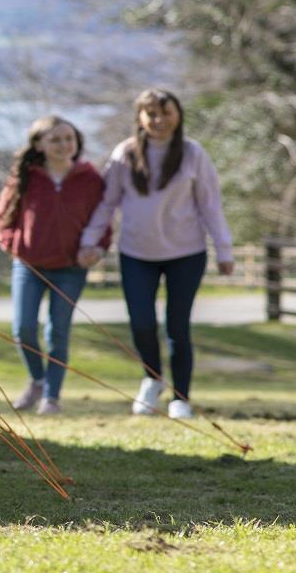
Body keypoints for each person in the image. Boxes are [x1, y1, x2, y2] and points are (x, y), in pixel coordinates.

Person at [78, 88, 234, 421]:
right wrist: (90, 240)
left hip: (185, 253)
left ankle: (181, 398)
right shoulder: (124, 154)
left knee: (177, 327)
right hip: (136, 252)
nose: (159, 120)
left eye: (166, 113)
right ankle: (152, 378)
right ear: (140, 118)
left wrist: (224, 248)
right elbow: (107, 203)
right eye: (151, 113)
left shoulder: (193, 154)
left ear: (178, 116)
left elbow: (210, 204)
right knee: (142, 323)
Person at [0, 115, 107, 415]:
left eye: (68, 138)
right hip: (28, 267)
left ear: (77, 142)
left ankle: (51, 398)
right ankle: (37, 381)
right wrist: (12, 243)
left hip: (71, 269)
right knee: (24, 329)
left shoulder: (90, 178)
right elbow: (0, 215)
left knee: (58, 332)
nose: (63, 145)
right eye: (54, 139)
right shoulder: (26, 177)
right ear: (39, 145)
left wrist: (98, 249)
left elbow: (103, 221)